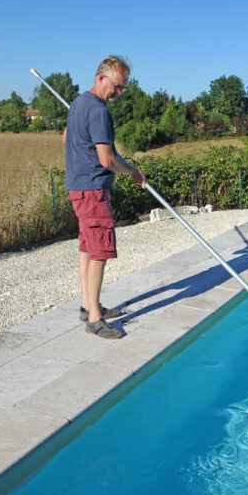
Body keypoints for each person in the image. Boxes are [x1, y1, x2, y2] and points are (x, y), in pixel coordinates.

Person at [64, 55, 146, 339]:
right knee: (99, 252)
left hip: (77, 187)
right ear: (101, 77)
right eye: (117, 86)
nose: (119, 93)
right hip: (93, 189)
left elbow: (66, 138)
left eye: (122, 88)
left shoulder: (78, 103)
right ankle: (95, 320)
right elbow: (107, 160)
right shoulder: (98, 111)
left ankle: (89, 306)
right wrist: (133, 171)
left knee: (87, 248)